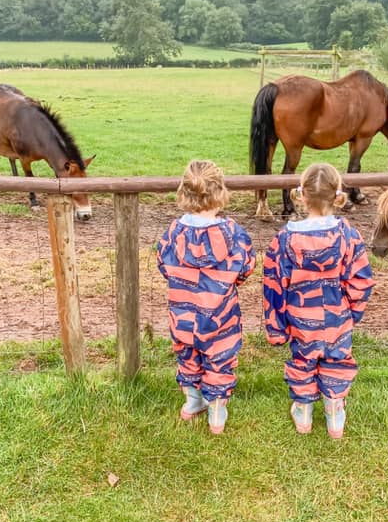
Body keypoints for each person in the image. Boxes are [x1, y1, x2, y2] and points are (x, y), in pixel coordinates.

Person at [262, 162, 374, 438]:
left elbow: (274, 284)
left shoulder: (285, 240)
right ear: (337, 197)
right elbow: (361, 279)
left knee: (303, 359)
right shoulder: (348, 235)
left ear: (301, 196)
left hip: (301, 318)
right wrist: (352, 311)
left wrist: (276, 327)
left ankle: (304, 413)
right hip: (338, 316)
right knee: (337, 360)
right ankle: (334, 413)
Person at [157, 159, 256, 434]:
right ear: (220, 191)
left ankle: (192, 401)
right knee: (219, 360)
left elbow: (163, 265)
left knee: (187, 356)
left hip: (183, 314)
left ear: (183, 192)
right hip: (220, 315)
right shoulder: (234, 234)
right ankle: (216, 410)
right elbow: (246, 267)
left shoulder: (173, 233)